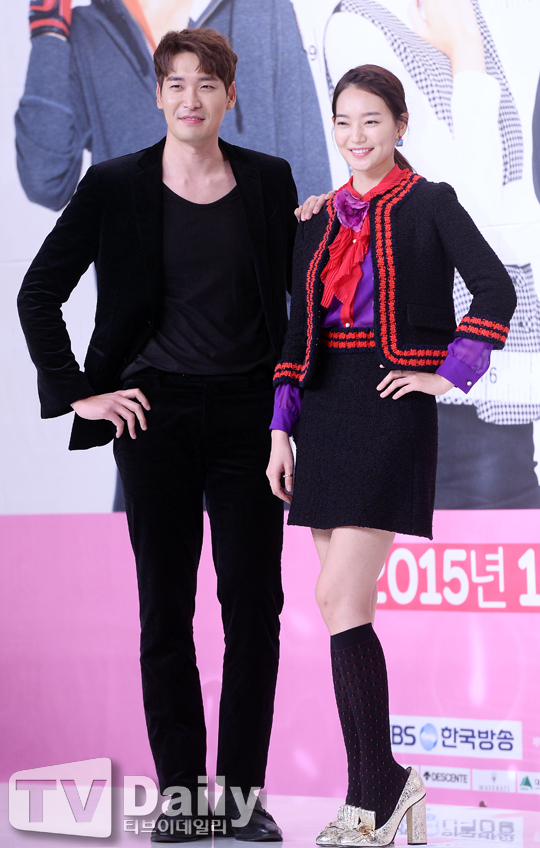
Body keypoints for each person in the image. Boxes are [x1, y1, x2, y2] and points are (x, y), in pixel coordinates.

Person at [18, 27, 298, 843]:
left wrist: (291, 416)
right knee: (165, 612)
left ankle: (239, 800)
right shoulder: (115, 185)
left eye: (206, 84)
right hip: (155, 418)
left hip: (249, 419)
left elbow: (302, 301)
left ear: (229, 96)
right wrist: (81, 394)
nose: (190, 99)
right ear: (157, 95)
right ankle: (181, 797)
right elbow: (39, 293)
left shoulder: (268, 180)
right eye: (176, 84)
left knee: (255, 609)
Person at [267, 65, 516, 847]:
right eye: (343, 121)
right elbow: (296, 332)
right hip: (324, 412)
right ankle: (382, 786)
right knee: (342, 607)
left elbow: (496, 290)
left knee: (338, 597)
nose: (356, 136)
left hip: (388, 407)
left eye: (371, 120)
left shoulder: (431, 203)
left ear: (401, 125)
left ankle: (373, 797)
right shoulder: (316, 220)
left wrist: (447, 374)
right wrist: (279, 430)